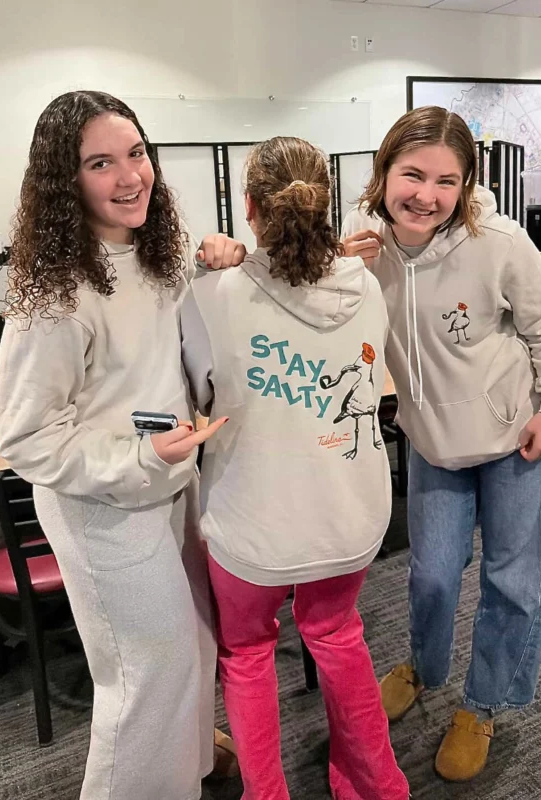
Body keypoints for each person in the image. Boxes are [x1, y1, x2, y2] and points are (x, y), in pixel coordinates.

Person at [0, 90, 245, 800]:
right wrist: (140, 458)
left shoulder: (153, 255)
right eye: (100, 163)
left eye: (136, 154)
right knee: (145, 672)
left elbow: (170, 356)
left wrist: (227, 261)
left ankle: (189, 763)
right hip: (102, 505)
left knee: (192, 641)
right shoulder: (54, 296)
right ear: (65, 181)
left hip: (170, 484)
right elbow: (27, 438)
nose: (130, 176)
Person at [342, 105, 541, 782]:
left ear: (466, 184)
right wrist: (334, 267)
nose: (427, 195)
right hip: (431, 439)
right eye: (412, 174)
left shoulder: (499, 241)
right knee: (434, 574)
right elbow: (304, 298)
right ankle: (423, 664)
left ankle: (485, 703)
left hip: (518, 434)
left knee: (513, 580)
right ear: (384, 171)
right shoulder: (361, 242)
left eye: (447, 181)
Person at [179, 136, 410, 800]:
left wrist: (225, 264)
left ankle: (268, 794)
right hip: (349, 518)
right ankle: (375, 784)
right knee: (337, 635)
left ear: (249, 206)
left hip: (253, 529)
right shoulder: (365, 284)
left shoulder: (212, 295)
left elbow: (196, 398)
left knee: (248, 656)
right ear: (325, 207)